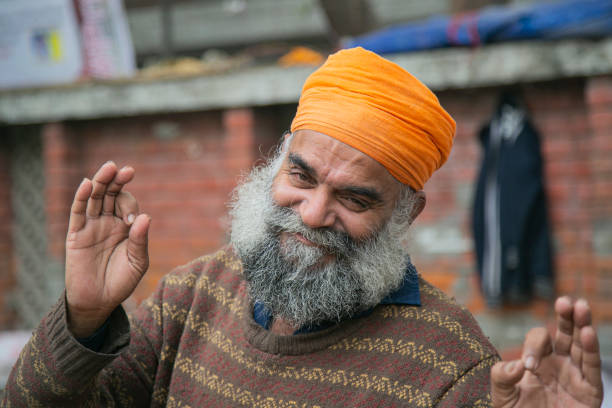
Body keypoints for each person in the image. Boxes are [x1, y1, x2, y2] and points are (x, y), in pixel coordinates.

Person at [2, 48, 603, 407]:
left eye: (356, 199)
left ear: (405, 214)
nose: (314, 215)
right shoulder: (192, 296)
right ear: (275, 165)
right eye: (303, 176)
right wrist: (81, 320)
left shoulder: (450, 364)